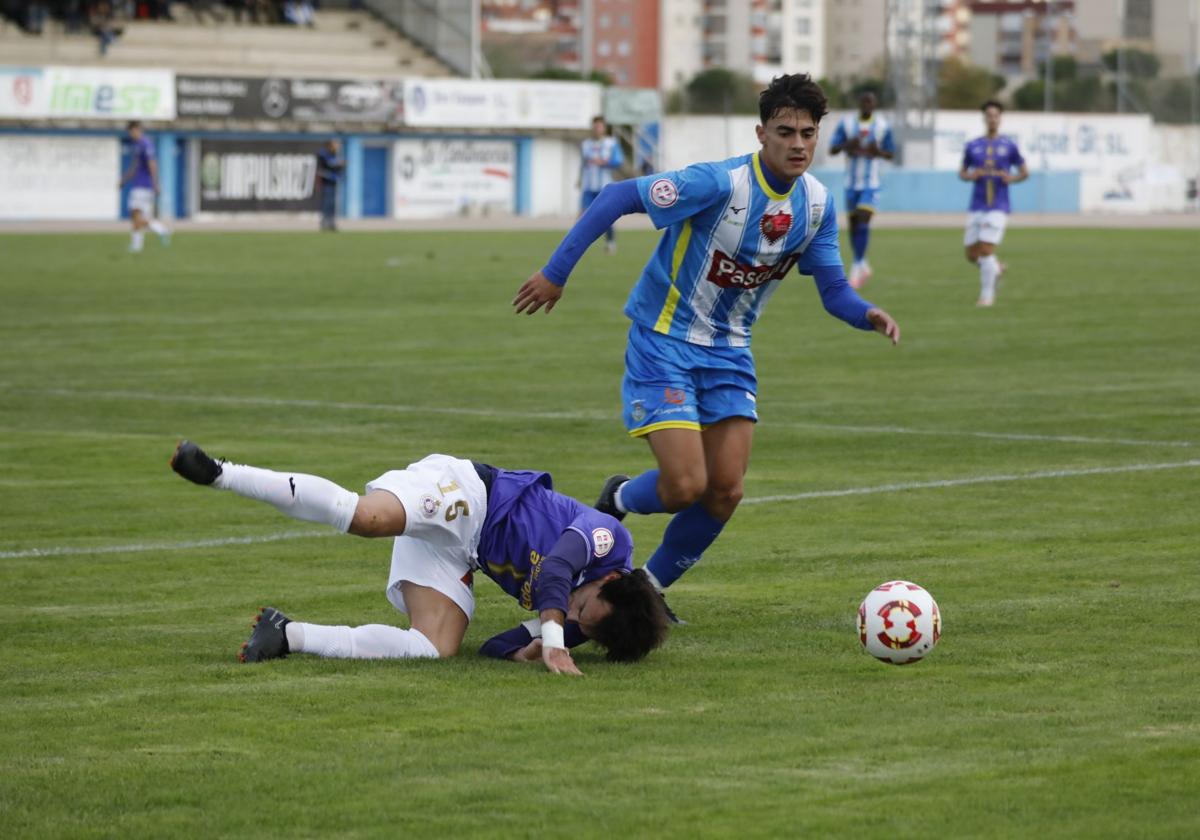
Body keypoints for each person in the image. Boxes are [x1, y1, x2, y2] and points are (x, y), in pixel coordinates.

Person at [512, 74, 900, 622]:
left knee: (724, 491)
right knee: (685, 485)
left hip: (729, 352)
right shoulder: (717, 184)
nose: (797, 144)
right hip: (663, 342)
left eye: (808, 133)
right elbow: (618, 195)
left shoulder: (815, 206)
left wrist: (867, 314)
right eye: (785, 131)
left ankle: (647, 587)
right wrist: (556, 273)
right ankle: (619, 498)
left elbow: (833, 290)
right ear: (761, 132)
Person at [169, 440, 669, 675]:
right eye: (584, 609)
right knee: (366, 519)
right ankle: (220, 472)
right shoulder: (609, 541)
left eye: (584, 625)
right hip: (472, 495)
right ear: (611, 583)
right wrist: (556, 639)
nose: (574, 617)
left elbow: (493, 647)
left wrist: (528, 648)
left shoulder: (581, 624)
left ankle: (287, 635)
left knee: (434, 650)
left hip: (462, 551)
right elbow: (558, 570)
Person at [959, 100, 1028, 307]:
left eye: (996, 115)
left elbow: (1025, 172)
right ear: (984, 118)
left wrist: (1011, 178)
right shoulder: (973, 146)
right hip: (977, 205)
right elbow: (962, 173)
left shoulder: (1009, 146)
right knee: (972, 255)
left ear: (1000, 118)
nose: (992, 119)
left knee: (986, 250)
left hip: (998, 205)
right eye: (989, 115)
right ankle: (995, 269)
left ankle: (987, 296)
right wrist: (972, 175)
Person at [828, 89, 894, 289]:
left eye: (870, 102)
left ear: (875, 104)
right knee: (854, 225)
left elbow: (890, 153)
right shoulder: (847, 123)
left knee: (863, 219)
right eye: (864, 101)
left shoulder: (883, 125)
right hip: (850, 183)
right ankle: (862, 263)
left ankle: (857, 265)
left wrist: (878, 151)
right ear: (859, 103)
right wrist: (849, 143)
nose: (867, 105)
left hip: (871, 184)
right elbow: (832, 149)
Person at [119, 121, 170, 253]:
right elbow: (135, 167)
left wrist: (155, 183)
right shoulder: (137, 146)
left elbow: (152, 164)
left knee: (137, 216)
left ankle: (161, 230)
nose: (130, 134)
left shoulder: (146, 144)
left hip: (144, 186)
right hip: (138, 185)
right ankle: (138, 245)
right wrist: (124, 180)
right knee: (137, 217)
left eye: (131, 131)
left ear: (136, 130)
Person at [579, 115, 624, 254]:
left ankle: (610, 242)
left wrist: (604, 163)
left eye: (600, 126)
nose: (597, 128)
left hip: (604, 187)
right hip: (588, 186)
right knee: (583, 216)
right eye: (595, 126)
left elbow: (618, 161)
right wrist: (579, 178)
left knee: (605, 217)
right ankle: (580, 245)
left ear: (604, 128)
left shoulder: (611, 143)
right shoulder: (586, 144)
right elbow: (583, 163)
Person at [316, 139, 344, 231]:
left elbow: (338, 167)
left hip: (333, 183)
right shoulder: (323, 154)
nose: (338, 147)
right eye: (336, 145)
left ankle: (331, 223)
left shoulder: (334, 155)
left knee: (332, 205)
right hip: (326, 183)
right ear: (330, 145)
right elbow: (327, 166)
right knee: (326, 204)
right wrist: (338, 164)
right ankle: (324, 223)